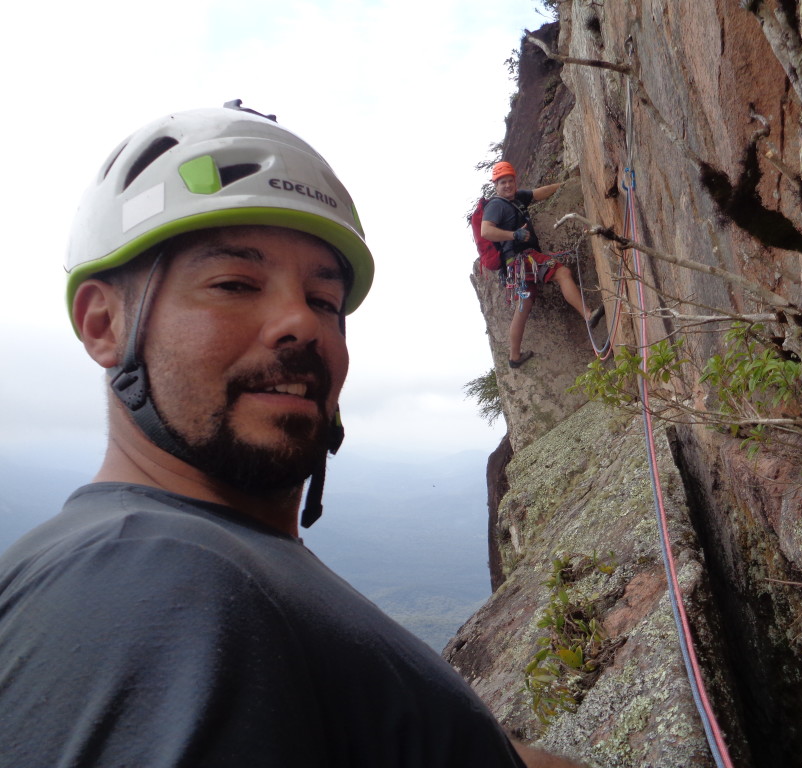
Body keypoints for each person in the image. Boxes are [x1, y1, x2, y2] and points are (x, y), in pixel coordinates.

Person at [0, 103, 588, 768]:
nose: (301, 324)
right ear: (103, 324)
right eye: (234, 283)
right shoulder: (151, 583)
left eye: (324, 300)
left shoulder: (203, 570)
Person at [480, 161, 590, 368]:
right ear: (496, 185)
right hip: (524, 258)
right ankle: (589, 315)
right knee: (562, 272)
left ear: (515, 181)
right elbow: (486, 231)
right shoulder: (496, 205)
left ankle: (514, 357)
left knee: (524, 305)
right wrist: (514, 234)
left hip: (518, 269)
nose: (507, 185)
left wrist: (564, 185)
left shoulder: (518, 198)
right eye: (502, 182)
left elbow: (539, 193)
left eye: (510, 181)